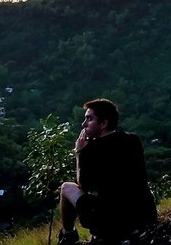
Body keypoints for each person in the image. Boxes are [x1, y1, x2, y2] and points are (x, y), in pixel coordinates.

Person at [58, 98, 157, 245]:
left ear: (103, 123)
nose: (83, 124)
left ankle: (68, 235)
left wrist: (79, 152)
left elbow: (83, 185)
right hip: (145, 216)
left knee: (66, 188)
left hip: (112, 222)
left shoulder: (91, 149)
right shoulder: (133, 140)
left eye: (89, 119)